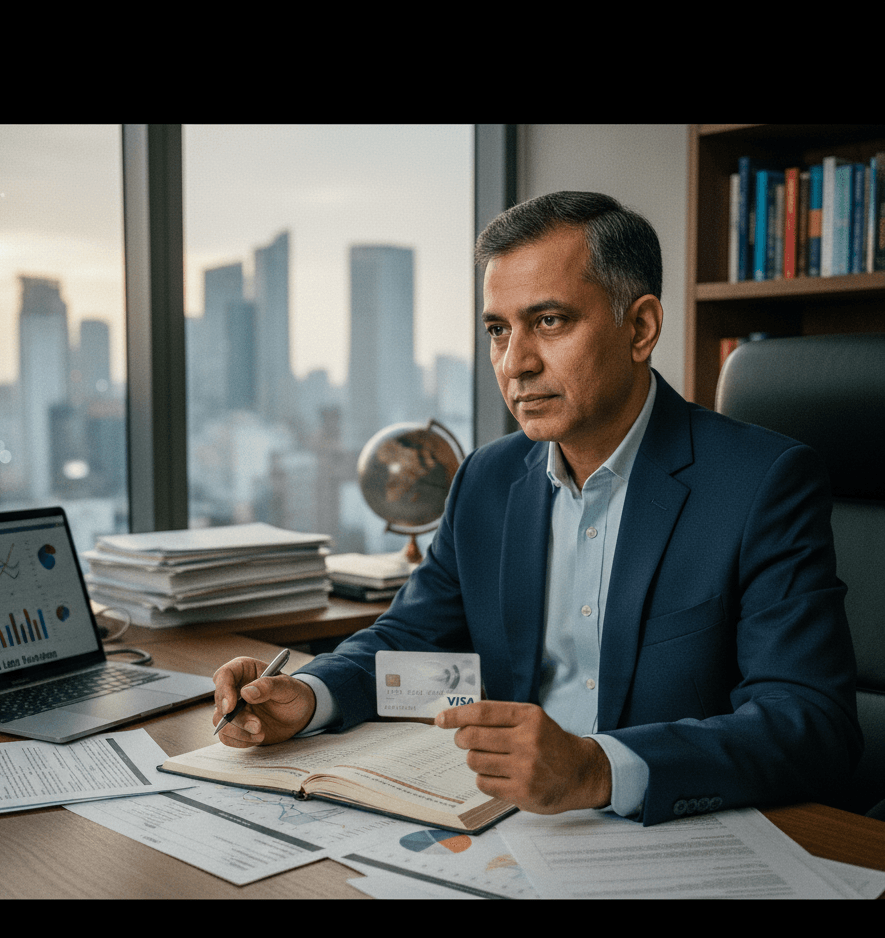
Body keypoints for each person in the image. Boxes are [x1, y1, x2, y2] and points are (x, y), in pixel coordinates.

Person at [212, 191, 862, 826]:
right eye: (499, 330)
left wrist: (597, 768)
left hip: (667, 826)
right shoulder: (487, 480)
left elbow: (809, 722)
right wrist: (311, 696)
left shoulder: (762, 483)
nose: (515, 363)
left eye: (548, 322)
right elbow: (415, 646)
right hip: (500, 823)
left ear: (640, 328)